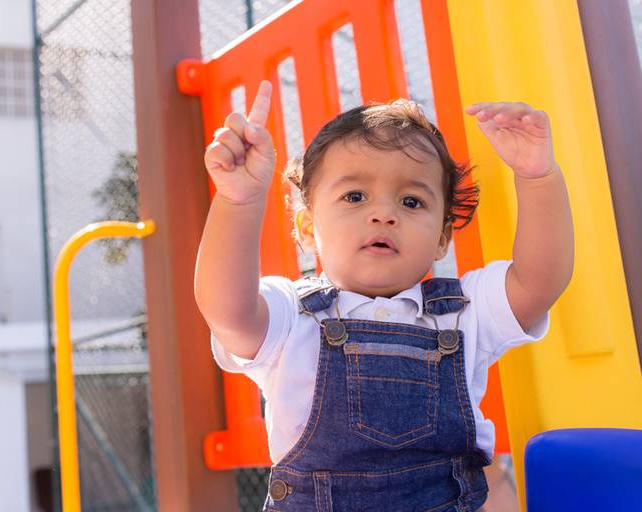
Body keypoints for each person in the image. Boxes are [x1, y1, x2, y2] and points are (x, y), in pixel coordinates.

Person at [194, 80, 573, 511]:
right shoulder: (293, 315)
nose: (383, 214)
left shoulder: (462, 313)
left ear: (442, 238)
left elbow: (540, 281)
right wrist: (238, 201)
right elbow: (227, 310)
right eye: (355, 196)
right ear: (307, 228)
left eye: (411, 202)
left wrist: (537, 177)